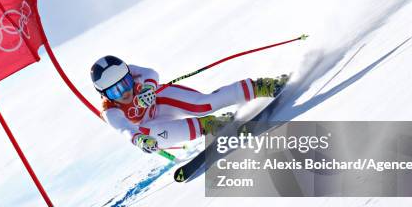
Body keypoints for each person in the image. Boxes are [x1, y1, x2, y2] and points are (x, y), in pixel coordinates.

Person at [90, 55, 287, 154]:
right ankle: (212, 125)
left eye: (125, 83)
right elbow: (125, 130)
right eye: (115, 91)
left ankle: (261, 86)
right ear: (104, 94)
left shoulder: (130, 71)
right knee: (154, 142)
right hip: (149, 125)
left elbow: (151, 74)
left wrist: (147, 89)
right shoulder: (110, 111)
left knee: (204, 104)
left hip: (160, 100)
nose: (124, 92)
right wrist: (140, 141)